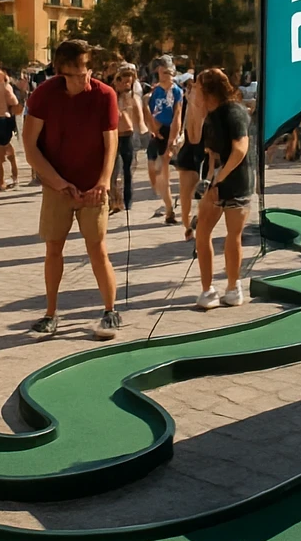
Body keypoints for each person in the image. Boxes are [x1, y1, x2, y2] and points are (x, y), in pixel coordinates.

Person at [22, 38, 123, 340]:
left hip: (94, 186)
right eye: (77, 74)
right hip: (57, 185)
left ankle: (110, 310)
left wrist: (104, 181)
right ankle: (50, 313)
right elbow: (30, 146)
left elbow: (111, 143)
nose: (84, 79)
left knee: (97, 248)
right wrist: (57, 183)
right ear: (60, 71)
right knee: (53, 248)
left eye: (87, 71)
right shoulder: (43, 95)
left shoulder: (105, 95)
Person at [193, 69, 254, 309]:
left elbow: (240, 150)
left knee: (233, 234)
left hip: (238, 180)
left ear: (208, 91)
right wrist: (209, 183)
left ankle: (233, 287)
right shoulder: (210, 115)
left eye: (197, 88)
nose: (194, 92)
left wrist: (219, 179)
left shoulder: (234, 112)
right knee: (202, 231)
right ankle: (208, 289)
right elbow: (211, 155)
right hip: (217, 179)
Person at [145, 58, 182, 224]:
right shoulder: (155, 91)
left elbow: (177, 116)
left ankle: (169, 209)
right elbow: (148, 111)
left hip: (168, 131)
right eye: (162, 72)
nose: (165, 75)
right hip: (156, 131)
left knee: (162, 172)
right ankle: (166, 202)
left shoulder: (176, 91)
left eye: (168, 72)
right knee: (152, 170)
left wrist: (172, 139)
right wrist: (153, 129)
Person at [174, 76, 208, 242]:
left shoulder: (208, 107)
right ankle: (188, 226)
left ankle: (198, 224)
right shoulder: (187, 104)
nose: (191, 91)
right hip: (189, 149)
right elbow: (185, 130)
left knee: (205, 195)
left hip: (205, 151)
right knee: (185, 192)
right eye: (190, 89)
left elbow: (200, 135)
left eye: (195, 89)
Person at [112, 63, 142, 215]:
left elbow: (139, 117)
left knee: (128, 170)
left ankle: (127, 200)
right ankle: (114, 200)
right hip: (114, 136)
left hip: (128, 136)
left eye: (129, 82)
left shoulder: (133, 97)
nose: (126, 85)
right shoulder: (112, 96)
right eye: (124, 82)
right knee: (113, 170)